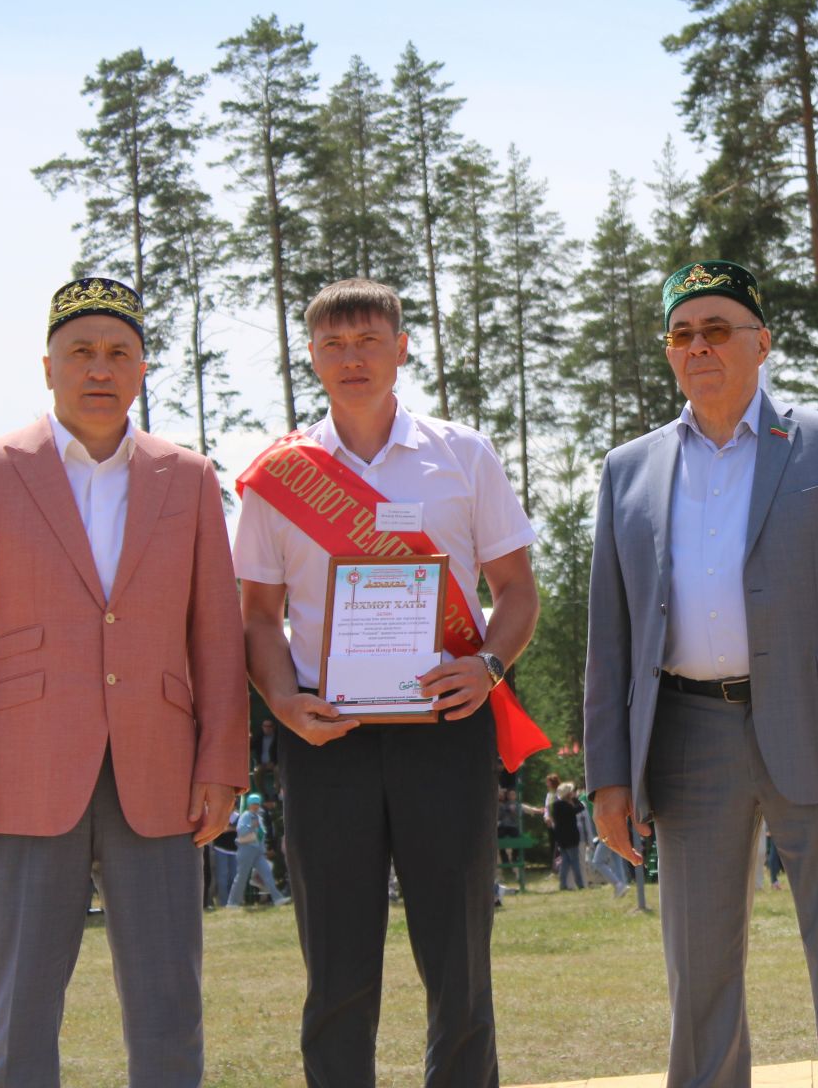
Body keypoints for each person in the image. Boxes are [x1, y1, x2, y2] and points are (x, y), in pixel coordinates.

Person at [583, 260, 818, 1088]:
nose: (699, 347)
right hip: (688, 742)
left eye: (718, 329)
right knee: (699, 980)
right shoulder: (630, 469)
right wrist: (609, 778)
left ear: (762, 343)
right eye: (682, 334)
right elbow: (610, 640)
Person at [0, 276, 249, 1088]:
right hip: (17, 778)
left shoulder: (191, 477)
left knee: (171, 1012)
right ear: (48, 366)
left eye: (118, 353)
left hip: (162, 778)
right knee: (19, 1015)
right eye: (81, 353)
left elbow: (216, 633)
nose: (99, 368)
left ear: (141, 370)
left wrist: (221, 766)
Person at [234, 278, 543, 1087]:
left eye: (368, 340)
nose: (352, 359)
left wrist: (488, 667)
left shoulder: (464, 455)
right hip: (323, 737)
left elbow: (517, 592)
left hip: (446, 727)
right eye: (333, 345)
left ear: (402, 347)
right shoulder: (280, 476)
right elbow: (258, 619)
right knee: (336, 967)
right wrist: (281, 702)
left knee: (459, 961)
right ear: (310, 357)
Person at [228, 793, 289, 907]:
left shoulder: (259, 817)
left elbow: (262, 835)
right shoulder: (245, 816)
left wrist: (263, 850)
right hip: (246, 850)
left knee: (267, 874)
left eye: (257, 803)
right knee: (242, 876)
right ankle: (232, 902)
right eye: (253, 804)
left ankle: (277, 898)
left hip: (258, 851)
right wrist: (251, 826)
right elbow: (241, 831)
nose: (256, 806)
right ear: (249, 805)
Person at [550, 783, 586, 891]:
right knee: (575, 861)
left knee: (565, 862)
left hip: (561, 838)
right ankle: (580, 884)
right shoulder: (567, 806)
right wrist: (575, 799)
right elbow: (580, 807)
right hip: (571, 837)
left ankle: (563, 884)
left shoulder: (556, 805)